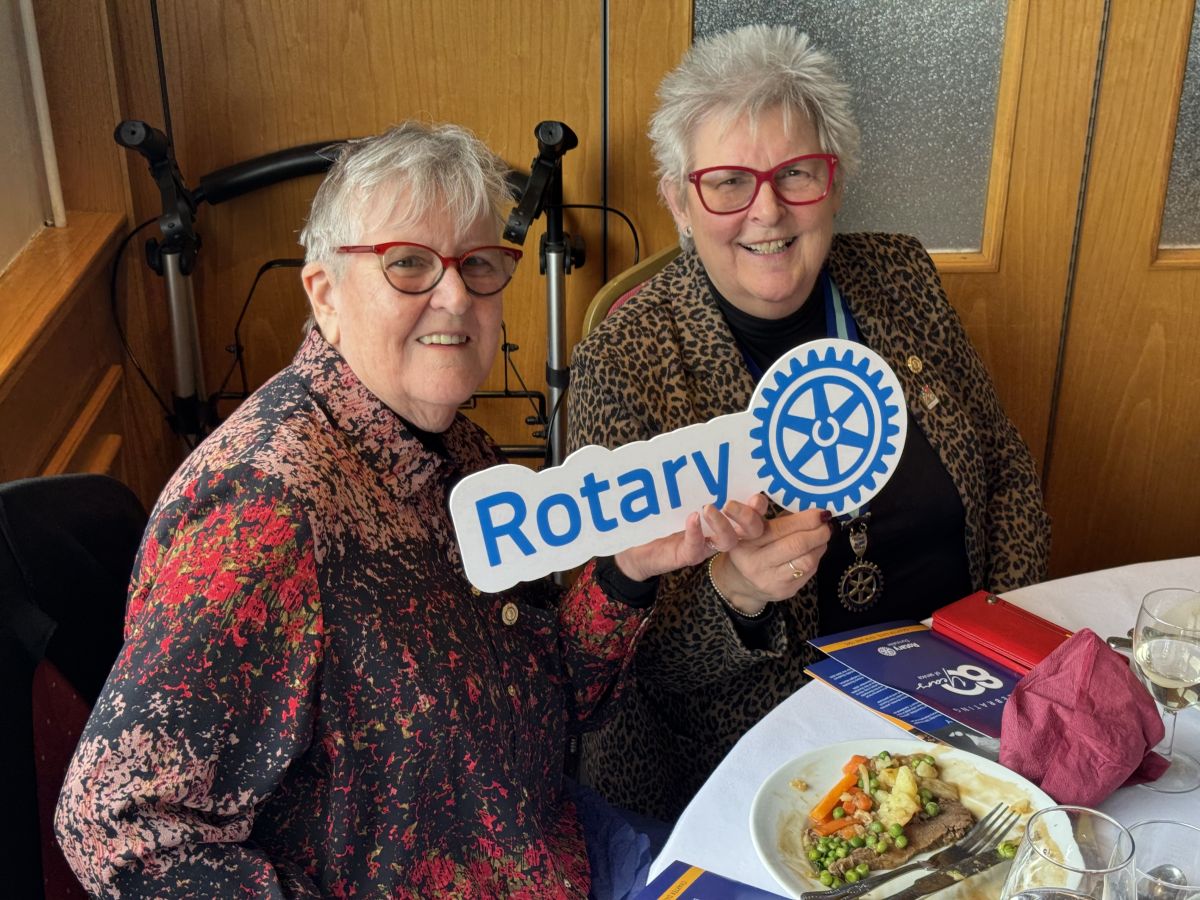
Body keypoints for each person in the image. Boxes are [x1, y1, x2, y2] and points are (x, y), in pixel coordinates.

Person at [53, 121, 765, 898]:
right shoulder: (264, 508)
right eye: (408, 264)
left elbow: (548, 699)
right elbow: (115, 830)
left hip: (550, 847)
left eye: (479, 263)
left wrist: (628, 573)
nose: (455, 295)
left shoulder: (459, 449)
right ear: (326, 294)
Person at [567, 24, 1051, 821]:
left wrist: (1004, 655)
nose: (766, 210)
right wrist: (735, 594)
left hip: (966, 704)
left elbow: (1005, 475)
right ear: (680, 202)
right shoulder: (626, 362)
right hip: (775, 763)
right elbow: (620, 665)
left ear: (835, 181)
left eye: (795, 173)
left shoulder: (899, 276)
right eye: (728, 182)